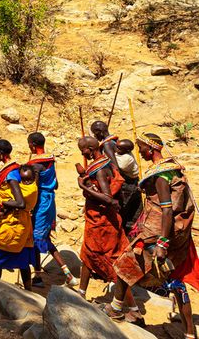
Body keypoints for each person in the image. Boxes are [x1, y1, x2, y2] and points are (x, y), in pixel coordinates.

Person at [110, 133, 199, 337]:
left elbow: (167, 210)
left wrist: (162, 243)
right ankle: (189, 333)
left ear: (151, 149)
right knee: (177, 281)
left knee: (125, 266)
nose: (139, 152)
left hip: (158, 232)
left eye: (141, 147)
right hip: (175, 233)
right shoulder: (172, 170)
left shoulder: (160, 176)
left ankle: (115, 310)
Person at [76, 136, 139, 319]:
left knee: (114, 261)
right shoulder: (106, 162)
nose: (82, 153)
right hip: (98, 220)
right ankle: (81, 292)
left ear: (89, 148)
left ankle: (130, 307)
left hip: (102, 222)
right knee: (87, 253)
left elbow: (107, 198)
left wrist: (84, 187)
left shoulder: (101, 170)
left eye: (83, 150)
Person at [27, 132, 79, 288]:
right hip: (50, 201)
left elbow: (34, 188)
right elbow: (55, 184)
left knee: (38, 238)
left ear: (33, 145)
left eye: (29, 144)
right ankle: (39, 275)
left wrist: (29, 206)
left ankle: (65, 275)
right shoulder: (50, 159)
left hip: (40, 201)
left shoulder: (36, 164)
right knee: (40, 237)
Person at [0, 140, 37, 291]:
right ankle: (29, 293)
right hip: (20, 222)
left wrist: (2, 204)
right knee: (23, 260)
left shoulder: (11, 174)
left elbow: (20, 202)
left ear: (1, 153)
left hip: (14, 222)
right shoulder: (12, 169)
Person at [115, 139, 143, 233]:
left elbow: (119, 165)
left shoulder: (127, 158)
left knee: (125, 206)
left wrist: (109, 153)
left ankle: (127, 230)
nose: (116, 149)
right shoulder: (123, 154)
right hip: (132, 183)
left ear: (127, 150)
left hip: (130, 184)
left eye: (119, 148)